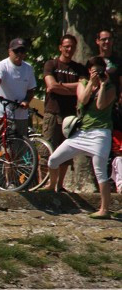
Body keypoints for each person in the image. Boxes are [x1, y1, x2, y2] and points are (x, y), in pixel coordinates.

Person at [46, 56, 117, 219]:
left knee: (100, 172)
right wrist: (91, 83)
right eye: (93, 70)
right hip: (82, 133)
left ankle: (104, 209)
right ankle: (51, 185)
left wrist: (103, 85)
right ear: (88, 71)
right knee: (54, 159)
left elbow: (100, 106)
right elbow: (83, 100)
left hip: (101, 133)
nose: (96, 73)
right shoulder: (83, 83)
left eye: (99, 70)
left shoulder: (111, 87)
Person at [42, 35, 88, 193]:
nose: (69, 50)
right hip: (52, 113)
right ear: (60, 47)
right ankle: (45, 184)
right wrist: (73, 88)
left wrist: (61, 86)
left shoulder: (79, 68)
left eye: (72, 47)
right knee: (47, 149)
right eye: (66, 46)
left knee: (66, 152)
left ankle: (59, 185)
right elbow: (51, 86)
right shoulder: (51, 64)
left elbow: (84, 87)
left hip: (70, 116)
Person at [0, 38, 37, 137]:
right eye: (16, 51)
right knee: (5, 145)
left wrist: (26, 101)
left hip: (21, 114)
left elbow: (30, 90)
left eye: (22, 51)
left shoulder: (28, 68)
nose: (19, 54)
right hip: (3, 113)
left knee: (21, 147)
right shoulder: (1, 66)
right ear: (10, 51)